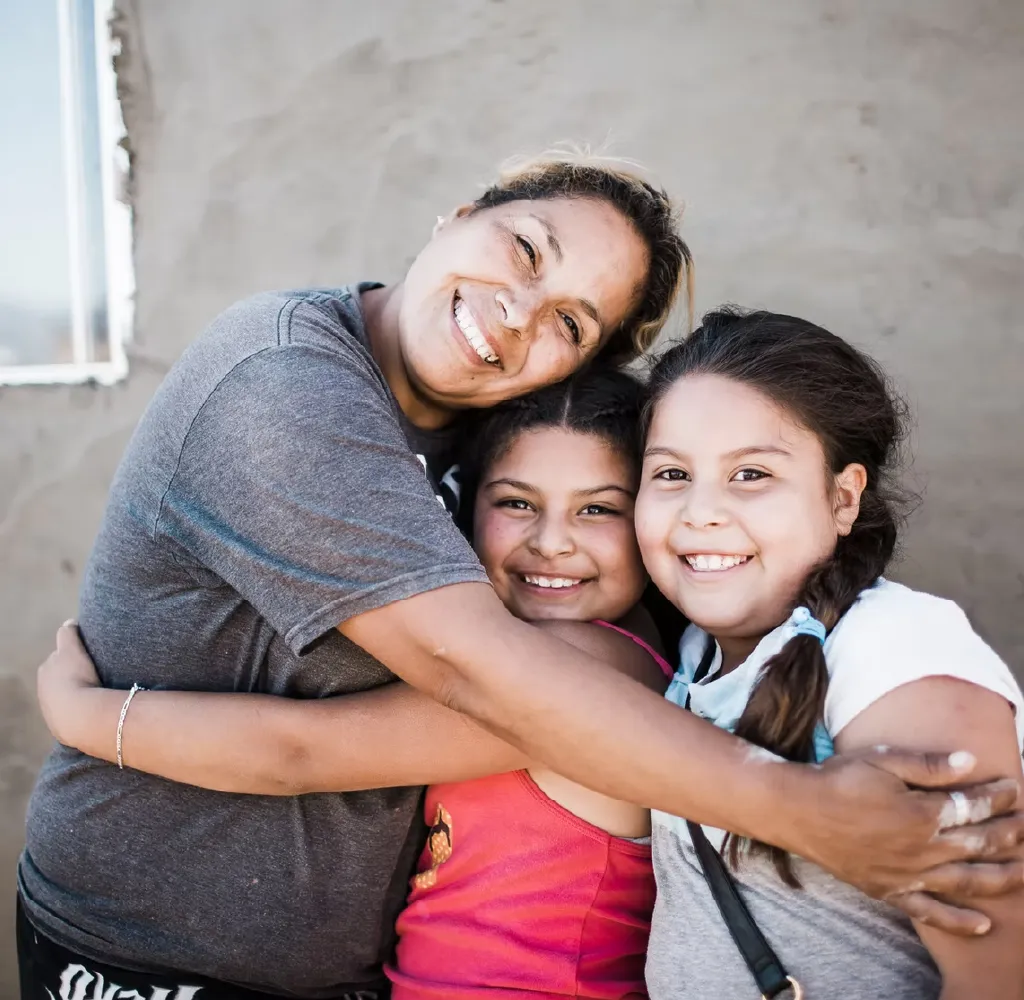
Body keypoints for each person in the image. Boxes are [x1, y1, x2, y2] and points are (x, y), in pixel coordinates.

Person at [20, 152, 1024, 1000]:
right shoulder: (283, 385)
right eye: (525, 249)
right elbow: (464, 671)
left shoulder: (505, 460)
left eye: (570, 323)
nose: (514, 313)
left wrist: (86, 714)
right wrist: (802, 810)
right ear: (459, 216)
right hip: (154, 953)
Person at [39, 366, 678, 999]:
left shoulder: (588, 667)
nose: (552, 542)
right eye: (517, 502)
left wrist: (84, 717)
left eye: (598, 509)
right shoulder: (525, 644)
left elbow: (298, 751)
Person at [632, 309, 1024, 999]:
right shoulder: (690, 654)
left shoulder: (895, 652)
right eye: (670, 474)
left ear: (843, 499)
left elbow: (998, 976)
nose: (700, 511)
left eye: (751, 474)